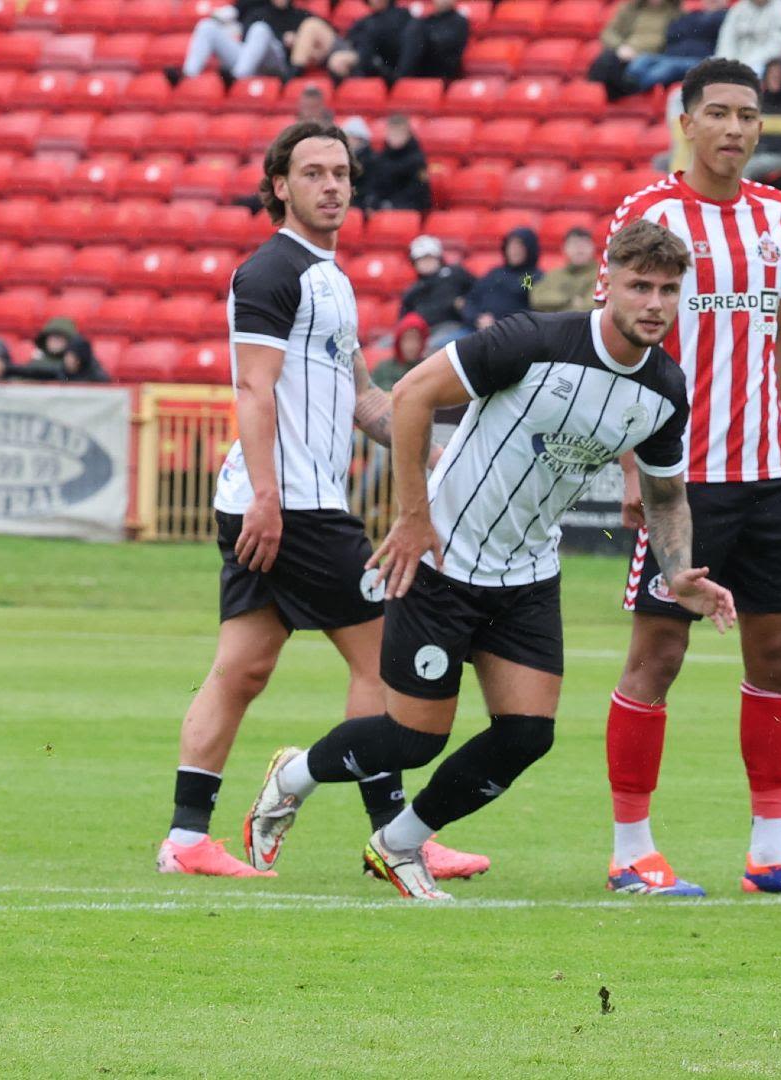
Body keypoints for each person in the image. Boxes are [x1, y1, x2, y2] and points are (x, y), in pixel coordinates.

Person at [241, 220, 733, 901]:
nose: (653, 303)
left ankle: (399, 842)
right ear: (606, 286)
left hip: (528, 574)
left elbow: (667, 493)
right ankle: (293, 777)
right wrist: (413, 517)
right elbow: (411, 393)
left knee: (527, 735)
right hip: (441, 560)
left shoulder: (666, 389)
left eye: (667, 290)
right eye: (639, 286)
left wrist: (678, 572)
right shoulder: (532, 340)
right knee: (415, 740)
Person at [157, 121, 483, 881]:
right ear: (280, 185)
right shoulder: (271, 272)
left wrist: (434, 457)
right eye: (313, 173)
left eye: (340, 173)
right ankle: (398, 838)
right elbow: (252, 386)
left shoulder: (330, 278)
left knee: (240, 669)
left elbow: (365, 398)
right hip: (291, 507)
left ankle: (185, 838)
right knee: (385, 664)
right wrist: (269, 497)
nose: (332, 185)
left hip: (280, 502)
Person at [593, 59, 781, 899]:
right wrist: (633, 462)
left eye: (748, 115)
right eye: (718, 113)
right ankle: (632, 851)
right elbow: (618, 343)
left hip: (766, 476)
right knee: (656, 656)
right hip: (681, 477)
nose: (735, 129)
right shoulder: (647, 213)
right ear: (686, 122)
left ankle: (771, 852)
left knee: (778, 654)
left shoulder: (778, 216)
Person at [617, 0, 726, 94]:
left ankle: (632, 89)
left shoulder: (727, 16)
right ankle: (628, 81)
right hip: (671, 55)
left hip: (698, 59)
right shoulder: (693, 14)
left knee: (666, 68)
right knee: (644, 58)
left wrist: (693, 30)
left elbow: (709, 29)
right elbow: (672, 32)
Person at [170, 3, 291, 85]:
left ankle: (238, 78)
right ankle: (188, 74)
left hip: (274, 62)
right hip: (247, 58)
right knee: (206, 26)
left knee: (260, 28)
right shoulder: (252, 4)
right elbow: (225, 15)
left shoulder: (297, 14)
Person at [589, 1, 682, 100]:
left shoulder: (676, 14)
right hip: (626, 55)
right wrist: (620, 47)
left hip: (652, 59)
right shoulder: (630, 9)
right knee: (605, 61)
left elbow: (677, 43)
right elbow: (608, 33)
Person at [462, 228, 541, 331]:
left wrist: (498, 322)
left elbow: (528, 306)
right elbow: (471, 298)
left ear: (529, 249)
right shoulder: (495, 273)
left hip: (507, 333)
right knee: (443, 344)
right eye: (511, 246)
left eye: (520, 246)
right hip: (475, 327)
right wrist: (477, 318)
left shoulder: (529, 276)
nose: (514, 250)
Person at [399, 235, 473, 338]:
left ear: (438, 258)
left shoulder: (456, 273)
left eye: (429, 258)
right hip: (420, 331)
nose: (426, 263)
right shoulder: (412, 290)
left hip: (450, 326)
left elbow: (478, 291)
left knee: (433, 348)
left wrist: (467, 306)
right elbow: (404, 318)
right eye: (421, 259)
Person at [358, 114, 430, 212]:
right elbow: (375, 185)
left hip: (408, 208)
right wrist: (373, 202)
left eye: (399, 133)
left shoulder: (417, 159)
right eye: (392, 133)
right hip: (384, 207)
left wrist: (392, 205)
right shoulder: (381, 157)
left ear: (407, 134)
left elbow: (417, 191)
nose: (395, 137)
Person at [326, 0, 411, 82]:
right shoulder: (364, 21)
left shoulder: (401, 14)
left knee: (337, 61)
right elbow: (350, 39)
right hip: (357, 52)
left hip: (377, 58)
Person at [717, 0, 781, 75]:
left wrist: (745, 63)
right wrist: (727, 62)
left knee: (755, 71)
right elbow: (726, 39)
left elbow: (777, 47)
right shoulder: (739, 8)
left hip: (767, 63)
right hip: (737, 60)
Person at [530, 228, 602, 314]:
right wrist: (570, 300)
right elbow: (537, 299)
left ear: (593, 247)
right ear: (564, 248)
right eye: (574, 244)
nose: (579, 249)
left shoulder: (601, 275)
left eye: (584, 244)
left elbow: (592, 307)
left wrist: (555, 306)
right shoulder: (554, 275)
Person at [395, 0, 470, 81]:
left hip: (444, 71)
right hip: (424, 67)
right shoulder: (428, 20)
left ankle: (401, 77)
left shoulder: (460, 21)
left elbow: (447, 46)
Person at [22, 317, 108, 382]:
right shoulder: (38, 361)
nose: (55, 341)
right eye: (51, 337)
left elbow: (101, 383)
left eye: (60, 337)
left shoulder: (83, 362)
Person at [372, 311, 429, 390]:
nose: (411, 346)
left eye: (416, 339)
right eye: (407, 339)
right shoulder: (383, 369)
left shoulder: (427, 369)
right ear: (398, 342)